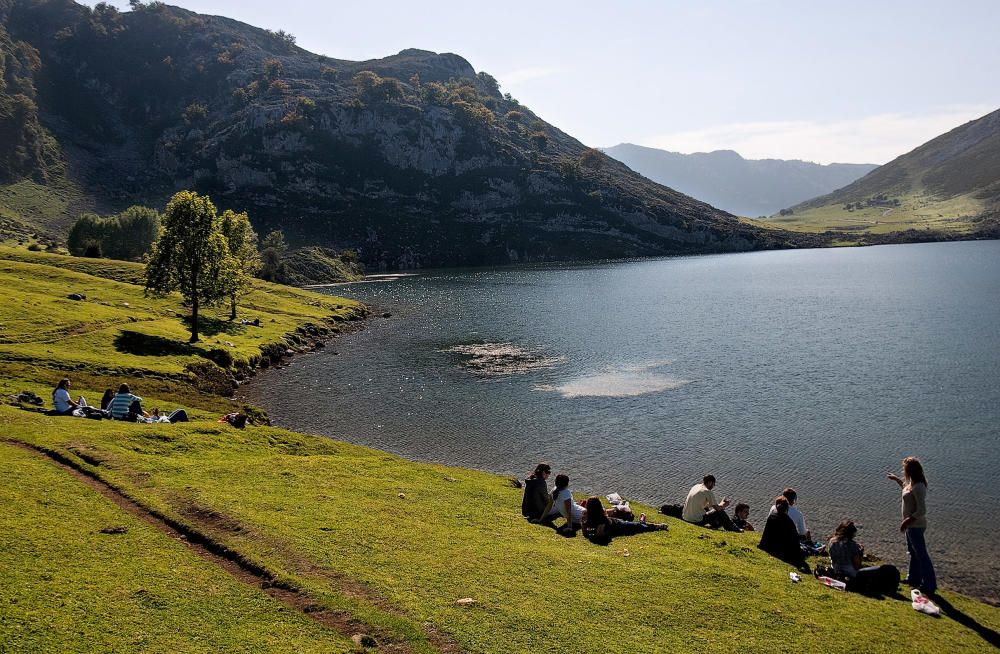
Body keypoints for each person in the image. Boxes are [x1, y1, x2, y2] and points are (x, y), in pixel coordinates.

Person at [888, 456, 936, 594]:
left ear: (910, 470)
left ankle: (929, 584)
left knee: (921, 554)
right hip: (910, 526)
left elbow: (922, 510)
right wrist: (896, 480)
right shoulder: (911, 484)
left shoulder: (919, 487)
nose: (904, 471)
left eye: (905, 469)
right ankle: (913, 578)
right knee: (913, 553)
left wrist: (906, 521)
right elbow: (906, 490)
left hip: (916, 525)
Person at [827, 519, 900, 595]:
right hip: (852, 574)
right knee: (887, 569)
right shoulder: (852, 545)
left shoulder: (832, 541)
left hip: (836, 569)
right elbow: (857, 566)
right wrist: (861, 553)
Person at [582, 496, 667, 544]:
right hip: (618, 525)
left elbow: (594, 534)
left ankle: (651, 524)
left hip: (618, 523)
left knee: (637, 526)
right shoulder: (593, 517)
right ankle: (649, 523)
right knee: (637, 526)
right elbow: (592, 533)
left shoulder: (596, 518)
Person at [758, 496, 807, 569]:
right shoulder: (788, 522)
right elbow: (795, 542)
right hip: (784, 551)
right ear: (787, 508)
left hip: (770, 547)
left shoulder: (771, 517)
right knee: (805, 548)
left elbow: (766, 534)